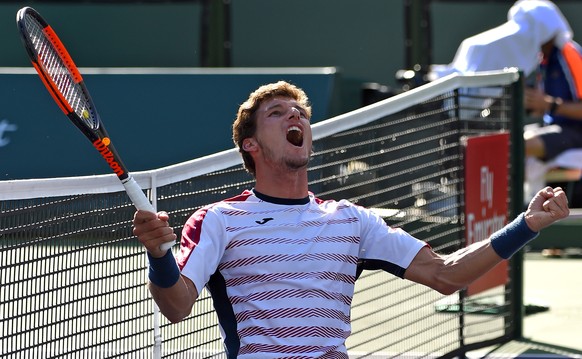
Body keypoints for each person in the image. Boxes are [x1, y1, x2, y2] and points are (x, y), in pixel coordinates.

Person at [132, 81, 569, 358]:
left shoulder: (350, 220)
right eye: (277, 113)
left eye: (300, 112)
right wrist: (158, 255)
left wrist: (526, 224)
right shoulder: (220, 219)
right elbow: (177, 306)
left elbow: (447, 274)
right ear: (250, 145)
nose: (295, 116)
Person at [428, 0, 582, 203]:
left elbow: (558, 105)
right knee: (500, 140)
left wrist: (548, 104)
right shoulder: (542, 59)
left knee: (514, 144)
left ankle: (496, 202)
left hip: (576, 134)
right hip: (554, 127)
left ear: (544, 29)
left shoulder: (569, 55)